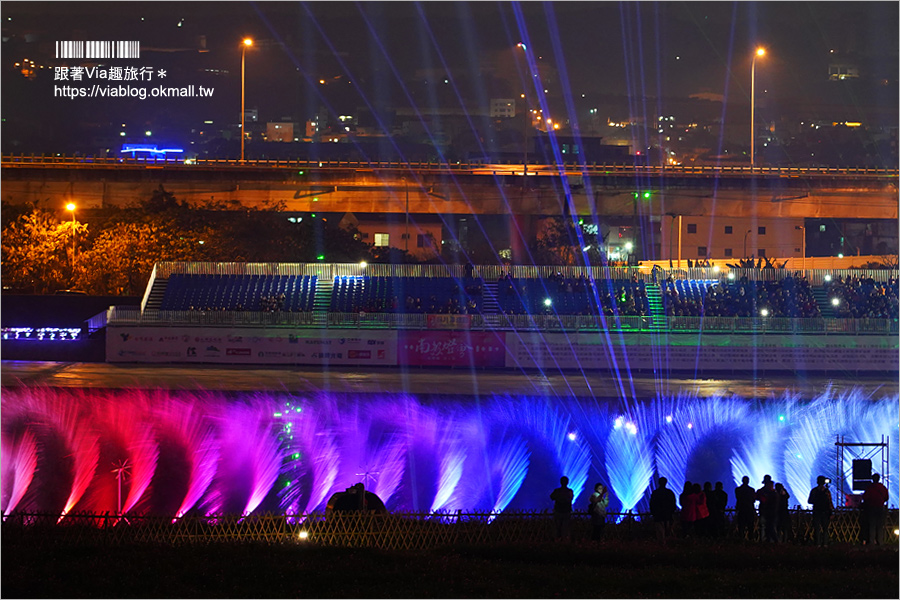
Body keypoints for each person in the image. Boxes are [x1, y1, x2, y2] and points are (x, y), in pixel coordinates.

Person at [862, 473, 889, 545]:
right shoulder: (882, 487)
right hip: (880, 508)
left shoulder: (870, 488)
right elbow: (886, 498)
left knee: (872, 525)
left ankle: (871, 541)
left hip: (871, 508)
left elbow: (865, 497)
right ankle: (880, 541)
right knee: (880, 525)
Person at [649, 476, 677, 544]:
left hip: (658, 516)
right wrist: (672, 512)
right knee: (668, 531)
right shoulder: (670, 492)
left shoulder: (655, 493)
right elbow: (673, 503)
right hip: (668, 515)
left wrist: (653, 513)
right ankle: (669, 545)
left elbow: (652, 504)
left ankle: (662, 546)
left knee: (660, 532)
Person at [807, 475, 833, 546]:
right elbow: (830, 502)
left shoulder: (814, 491)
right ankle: (824, 544)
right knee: (825, 529)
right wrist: (831, 512)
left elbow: (809, 501)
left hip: (818, 512)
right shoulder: (826, 491)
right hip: (824, 512)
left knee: (817, 529)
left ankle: (818, 544)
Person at [734, 476, 757, 540]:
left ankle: (741, 539)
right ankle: (751, 539)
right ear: (748, 481)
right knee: (750, 526)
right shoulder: (751, 490)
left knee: (741, 526)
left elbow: (738, 498)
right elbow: (753, 500)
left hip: (741, 509)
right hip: (749, 509)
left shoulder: (738, 490)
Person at [756, 476, 778, 542]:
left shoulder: (762, 491)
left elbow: (757, 497)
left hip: (766, 511)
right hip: (770, 511)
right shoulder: (773, 493)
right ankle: (771, 540)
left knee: (766, 526)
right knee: (769, 526)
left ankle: (768, 540)